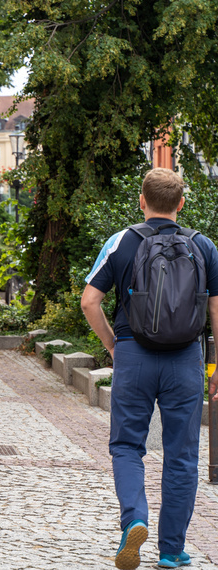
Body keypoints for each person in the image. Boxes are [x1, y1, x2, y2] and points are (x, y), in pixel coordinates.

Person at [81, 168, 218, 570]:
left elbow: (90, 301)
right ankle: (171, 550)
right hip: (184, 361)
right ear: (181, 203)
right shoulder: (204, 246)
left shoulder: (123, 241)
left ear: (141, 201)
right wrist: (216, 364)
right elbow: (214, 310)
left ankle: (134, 519)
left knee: (126, 446)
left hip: (134, 355)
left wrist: (112, 344)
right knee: (181, 455)